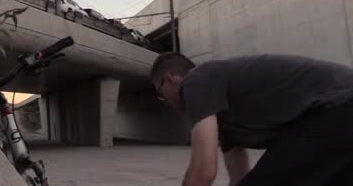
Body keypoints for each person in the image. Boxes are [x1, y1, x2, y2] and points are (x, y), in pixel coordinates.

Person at [150, 52, 353, 186]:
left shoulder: (196, 80)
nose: (164, 101)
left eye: (160, 94)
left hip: (337, 106)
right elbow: (239, 178)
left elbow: (204, 170)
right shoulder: (225, 121)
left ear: (170, 80)